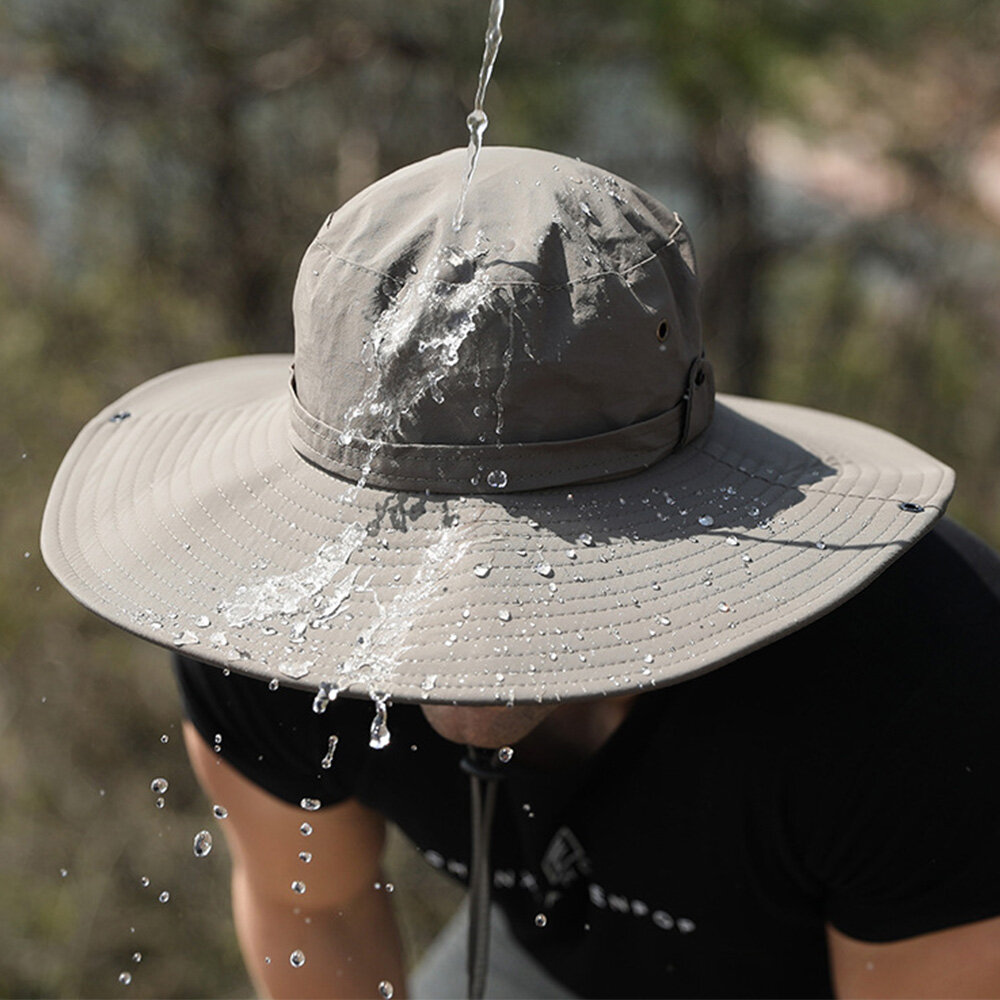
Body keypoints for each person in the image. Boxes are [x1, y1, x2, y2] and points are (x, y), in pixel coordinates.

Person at [42, 146, 1000, 999]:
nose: (464, 627)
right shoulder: (265, 616)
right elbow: (315, 913)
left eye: (526, 568)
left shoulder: (916, 687)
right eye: (408, 559)